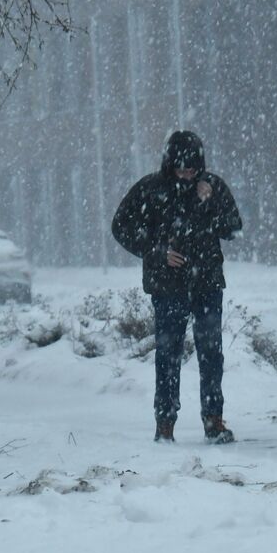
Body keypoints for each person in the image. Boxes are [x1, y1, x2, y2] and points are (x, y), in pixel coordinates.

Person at [112, 130, 243, 444]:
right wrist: (157, 253)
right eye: (180, 168)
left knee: (211, 352)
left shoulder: (212, 186)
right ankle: (165, 423)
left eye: (191, 168)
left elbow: (233, 228)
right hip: (167, 285)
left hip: (207, 282)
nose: (186, 174)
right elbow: (121, 226)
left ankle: (213, 420)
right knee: (168, 354)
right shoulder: (150, 189)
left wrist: (210, 204)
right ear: (169, 164)